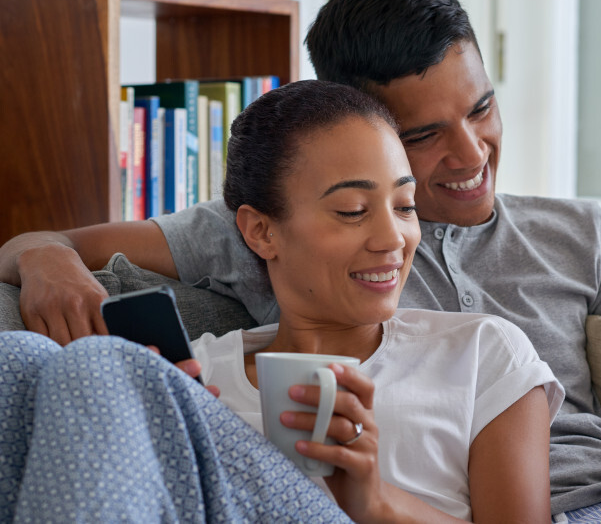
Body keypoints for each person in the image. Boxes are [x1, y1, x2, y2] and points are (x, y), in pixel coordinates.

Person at [0, 0, 601, 523]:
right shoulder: (279, 231)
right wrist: (43, 257)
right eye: (425, 135)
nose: (470, 154)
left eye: (482, 109)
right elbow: (44, 239)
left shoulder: (577, 232)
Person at [1, 79, 563, 522]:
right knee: (17, 363)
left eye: (405, 205)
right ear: (260, 232)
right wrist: (42, 257)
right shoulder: (202, 372)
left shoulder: (483, 352)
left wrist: (375, 503)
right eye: (352, 211)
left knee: (104, 366)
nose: (393, 238)